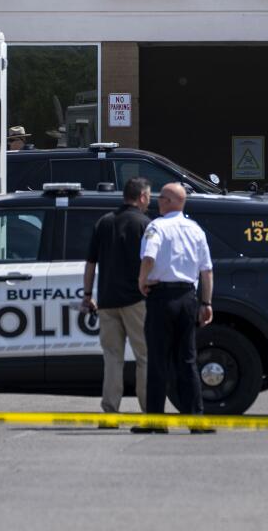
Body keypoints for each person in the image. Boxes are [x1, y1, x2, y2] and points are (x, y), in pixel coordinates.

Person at [133, 182, 214, 434]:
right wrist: (207, 302)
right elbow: (207, 270)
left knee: (158, 360)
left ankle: (156, 422)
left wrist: (142, 280)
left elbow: (149, 257)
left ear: (168, 201)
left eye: (161, 198)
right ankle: (196, 420)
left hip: (162, 298)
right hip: (187, 297)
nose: (158, 202)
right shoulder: (195, 229)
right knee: (187, 359)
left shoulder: (157, 227)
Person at [83, 177, 151, 425]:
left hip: (107, 300)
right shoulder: (145, 224)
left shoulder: (104, 222)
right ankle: (149, 410)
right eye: (149, 197)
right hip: (137, 300)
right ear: (142, 196)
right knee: (145, 356)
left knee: (112, 357)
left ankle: (110, 411)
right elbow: (150, 261)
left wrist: (87, 295)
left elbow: (91, 263)